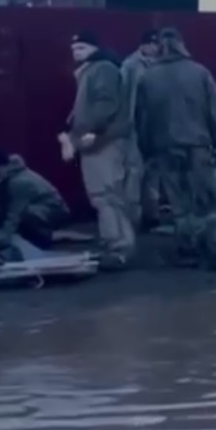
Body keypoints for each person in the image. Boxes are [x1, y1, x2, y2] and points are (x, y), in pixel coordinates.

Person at [136, 27, 216, 265]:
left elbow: (142, 119)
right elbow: (215, 112)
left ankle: (187, 248)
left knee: (178, 201)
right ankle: (213, 246)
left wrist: (147, 150)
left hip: (164, 147)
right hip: (198, 145)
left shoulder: (147, 77)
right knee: (207, 199)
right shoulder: (200, 73)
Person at [63, 30, 136, 269]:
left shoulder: (101, 69)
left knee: (107, 194)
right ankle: (114, 243)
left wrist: (88, 130)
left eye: (82, 47)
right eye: (74, 48)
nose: (76, 52)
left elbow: (105, 103)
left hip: (103, 141)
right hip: (98, 140)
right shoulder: (94, 69)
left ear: (94, 48)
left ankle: (119, 246)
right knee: (104, 195)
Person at [0, 147, 69, 250]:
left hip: (53, 210)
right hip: (34, 208)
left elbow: (14, 214)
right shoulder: (6, 177)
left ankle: (40, 240)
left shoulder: (19, 182)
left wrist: (2, 239)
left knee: (25, 213)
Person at [120, 29, 161, 229]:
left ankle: (152, 214)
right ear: (143, 45)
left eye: (157, 44)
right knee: (134, 173)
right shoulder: (130, 65)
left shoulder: (162, 65)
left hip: (155, 126)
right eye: (152, 44)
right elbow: (124, 95)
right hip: (134, 125)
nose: (155, 48)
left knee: (153, 172)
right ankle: (132, 217)